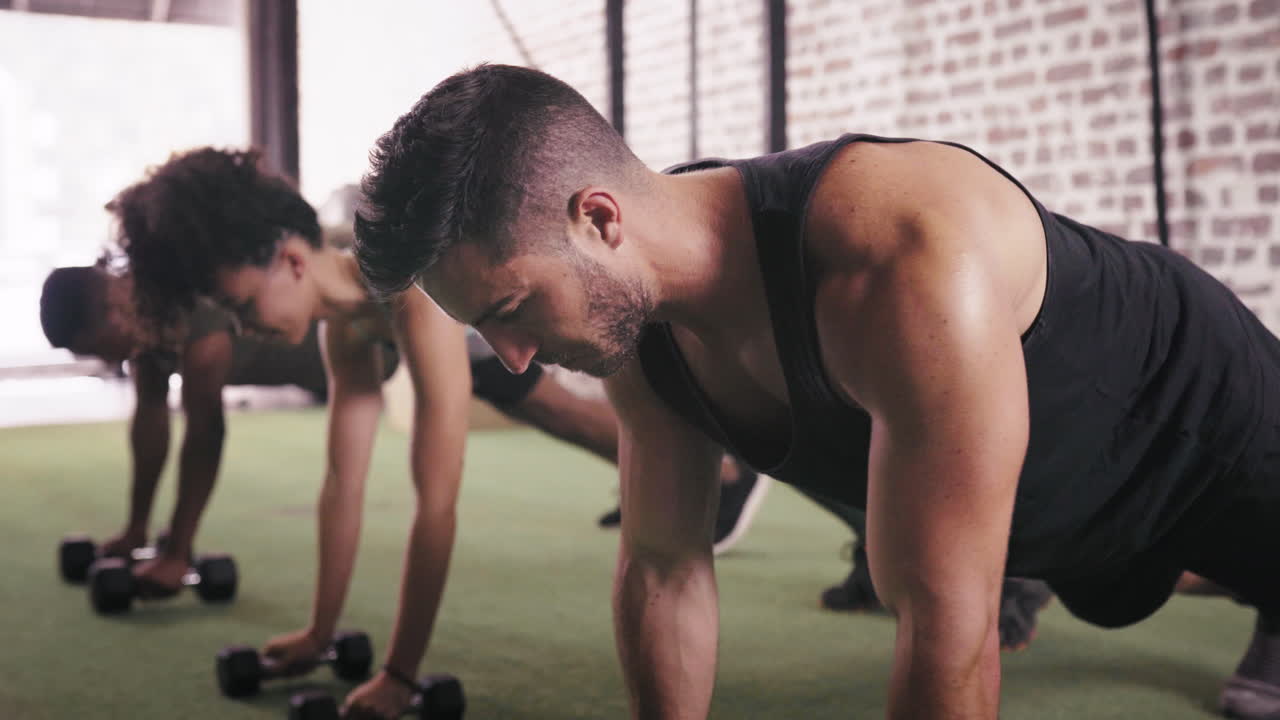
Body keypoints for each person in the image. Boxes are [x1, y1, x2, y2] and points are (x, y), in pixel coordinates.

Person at [353, 64, 1280, 719]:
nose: (510, 359)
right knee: (1104, 567)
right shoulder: (632, 326)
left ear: (599, 218)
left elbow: (947, 630)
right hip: (1052, 507)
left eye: (511, 307)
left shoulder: (898, 253)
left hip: (1199, 417)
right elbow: (666, 566)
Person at [111, 147, 470, 719]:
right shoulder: (346, 326)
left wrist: (400, 676)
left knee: (577, 423)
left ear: (294, 261)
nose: (242, 327)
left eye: (242, 305)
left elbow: (437, 504)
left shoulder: (412, 292)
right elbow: (342, 484)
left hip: (511, 346)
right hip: (472, 352)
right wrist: (319, 634)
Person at [40, 264, 328, 591]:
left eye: (99, 348)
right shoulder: (143, 324)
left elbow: (205, 433)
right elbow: (150, 413)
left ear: (115, 314)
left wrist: (177, 553)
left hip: (363, 345)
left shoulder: (197, 317)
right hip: (342, 369)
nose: (107, 362)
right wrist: (137, 530)